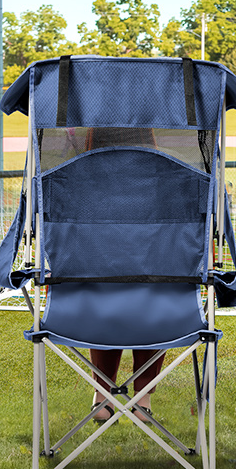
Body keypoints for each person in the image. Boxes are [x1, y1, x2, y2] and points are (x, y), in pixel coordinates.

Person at [82, 127, 163, 423]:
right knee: (158, 292)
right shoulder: (167, 183)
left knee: (102, 290)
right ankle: (142, 396)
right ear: (149, 141)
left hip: (85, 305)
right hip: (161, 303)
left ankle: (102, 397)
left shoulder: (76, 184)